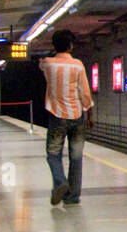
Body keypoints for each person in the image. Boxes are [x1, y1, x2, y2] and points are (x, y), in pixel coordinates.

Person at [39, 30, 94, 206]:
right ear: (71, 45)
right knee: (76, 158)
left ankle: (60, 181)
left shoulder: (47, 64)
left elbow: (41, 63)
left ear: (54, 45)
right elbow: (85, 92)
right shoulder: (78, 65)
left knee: (53, 154)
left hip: (57, 116)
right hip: (77, 116)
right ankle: (72, 197)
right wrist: (90, 114)